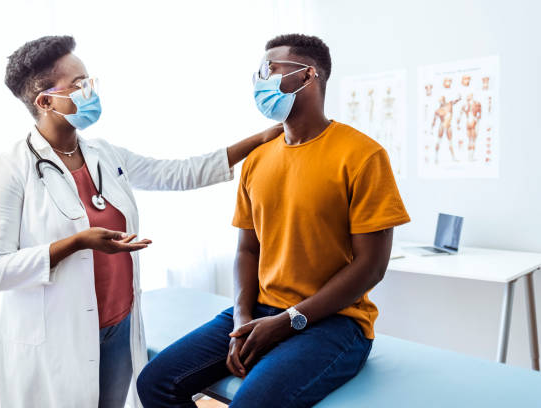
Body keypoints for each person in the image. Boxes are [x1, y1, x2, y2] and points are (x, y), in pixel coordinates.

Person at [0, 35, 282, 408]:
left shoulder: (102, 153)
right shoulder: (7, 170)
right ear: (45, 101)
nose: (90, 91)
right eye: (79, 85)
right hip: (60, 334)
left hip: (118, 325)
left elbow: (178, 173)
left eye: (89, 81)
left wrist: (261, 139)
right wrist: (77, 242)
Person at [137, 33, 410, 408]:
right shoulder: (259, 159)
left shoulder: (362, 156)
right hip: (262, 309)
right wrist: (241, 317)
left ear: (307, 76)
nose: (260, 81)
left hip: (336, 322)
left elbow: (371, 267)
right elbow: (248, 250)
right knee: (156, 382)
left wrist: (287, 322)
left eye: (270, 70)